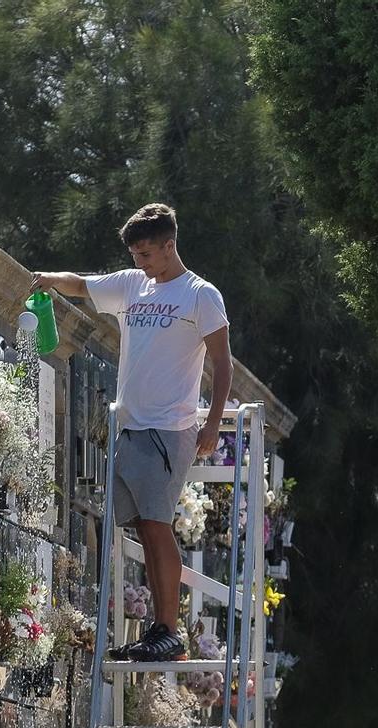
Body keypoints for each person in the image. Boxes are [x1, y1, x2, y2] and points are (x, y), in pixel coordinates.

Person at [32, 203, 232, 661]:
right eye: (134, 254)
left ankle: (169, 630)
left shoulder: (200, 294)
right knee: (144, 527)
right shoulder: (132, 285)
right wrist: (46, 278)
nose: (140, 262)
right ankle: (158, 630)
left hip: (169, 428)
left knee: (158, 527)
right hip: (131, 427)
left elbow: (223, 364)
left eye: (146, 253)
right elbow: (81, 284)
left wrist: (214, 421)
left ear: (169, 245)